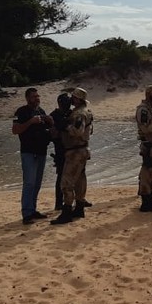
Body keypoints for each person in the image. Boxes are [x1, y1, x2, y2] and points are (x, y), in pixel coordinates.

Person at [51, 87, 93, 225]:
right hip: (81, 149)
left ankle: (67, 211)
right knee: (80, 180)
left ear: (77, 99)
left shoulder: (78, 114)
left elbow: (77, 131)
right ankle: (79, 208)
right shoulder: (86, 111)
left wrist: (65, 126)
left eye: (73, 98)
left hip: (75, 150)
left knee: (66, 183)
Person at [12, 88, 54, 225]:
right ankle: (26, 213)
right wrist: (31, 122)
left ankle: (33, 209)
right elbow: (15, 130)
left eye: (38, 96)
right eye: (33, 96)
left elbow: (49, 130)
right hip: (28, 152)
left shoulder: (41, 111)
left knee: (37, 183)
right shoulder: (21, 112)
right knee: (29, 182)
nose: (37, 98)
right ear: (27, 98)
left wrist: (50, 121)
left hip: (41, 151)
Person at [49, 92, 72, 210]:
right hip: (60, 149)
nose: (66, 104)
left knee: (75, 175)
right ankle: (59, 202)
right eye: (64, 102)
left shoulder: (71, 113)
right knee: (61, 177)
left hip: (71, 149)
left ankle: (76, 200)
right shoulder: (54, 115)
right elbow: (51, 134)